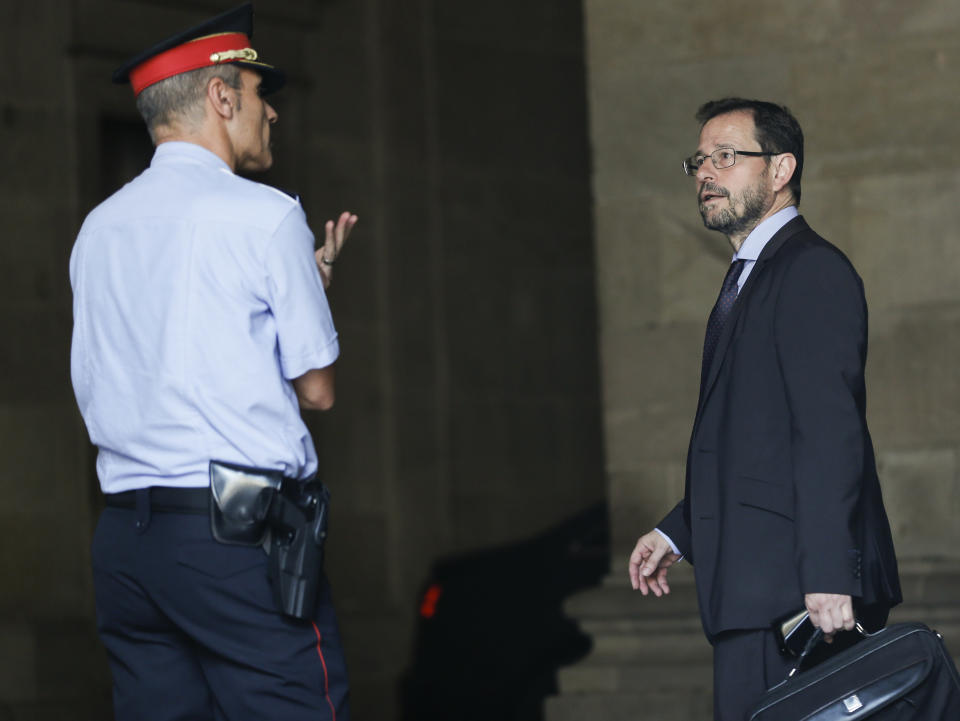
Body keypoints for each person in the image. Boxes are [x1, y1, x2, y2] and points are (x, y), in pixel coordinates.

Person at [69, 4, 356, 719]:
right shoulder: (264, 215)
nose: (273, 114)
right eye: (262, 95)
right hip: (235, 543)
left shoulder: (97, 229)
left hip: (127, 544)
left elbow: (171, 342)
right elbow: (317, 389)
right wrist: (311, 294)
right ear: (222, 97)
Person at [627, 98, 902, 720]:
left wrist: (831, 573)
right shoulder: (751, 276)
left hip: (796, 599)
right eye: (699, 160)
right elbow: (752, 441)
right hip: (755, 592)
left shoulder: (810, 271)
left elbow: (830, 432)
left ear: (781, 170)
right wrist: (680, 528)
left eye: (726, 157)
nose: (706, 173)